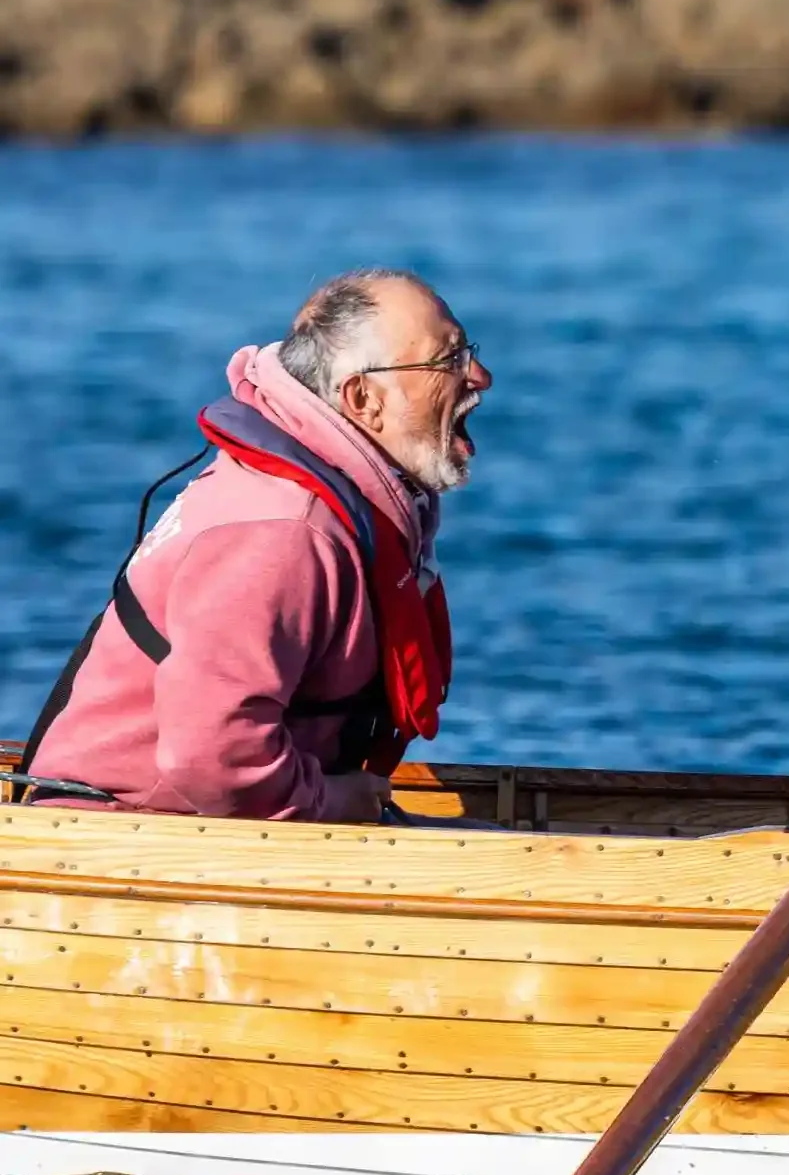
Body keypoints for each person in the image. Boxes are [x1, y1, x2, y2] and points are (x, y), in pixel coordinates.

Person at [20, 269, 491, 821]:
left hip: (214, 820)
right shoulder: (285, 530)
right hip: (136, 835)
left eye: (468, 352)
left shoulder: (319, 501)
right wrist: (338, 801)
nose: (479, 376)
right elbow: (212, 757)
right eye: (447, 360)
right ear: (362, 399)